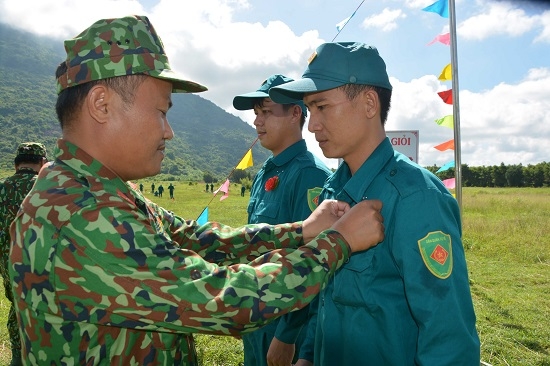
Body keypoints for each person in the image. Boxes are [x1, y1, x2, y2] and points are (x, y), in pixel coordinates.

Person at [8, 16, 385, 366]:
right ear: (101, 105)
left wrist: (300, 231)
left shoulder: (98, 189)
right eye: (161, 111)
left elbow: (192, 238)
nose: (168, 131)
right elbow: (219, 297)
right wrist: (338, 242)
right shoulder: (83, 213)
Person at [269, 42, 480, 365]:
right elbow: (326, 296)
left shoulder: (415, 197)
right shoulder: (332, 192)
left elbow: (447, 336)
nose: (312, 125)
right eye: (310, 110)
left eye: (322, 106)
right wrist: (309, 354)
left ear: (369, 103)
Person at [233, 74, 332, 366]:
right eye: (256, 113)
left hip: (286, 326)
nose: (257, 122)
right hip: (257, 317)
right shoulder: (265, 173)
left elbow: (316, 264)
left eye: (266, 112)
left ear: (295, 114)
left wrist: (291, 337)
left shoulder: (311, 176)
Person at [0, 142, 48, 366]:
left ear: (17, 163)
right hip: (40, 262)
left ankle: (19, 357)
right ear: (41, 162)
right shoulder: (45, 187)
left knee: (17, 306)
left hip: (7, 262)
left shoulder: (2, 188)